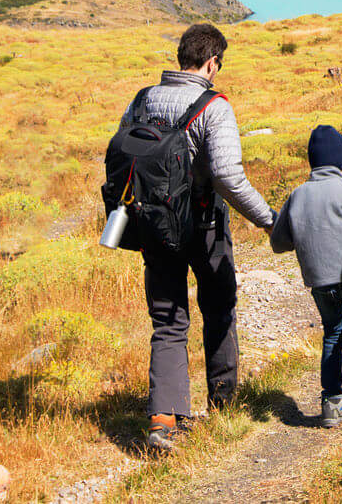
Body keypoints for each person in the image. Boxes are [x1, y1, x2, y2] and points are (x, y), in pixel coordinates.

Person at [120, 23, 274, 452]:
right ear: (212, 62)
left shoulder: (141, 100)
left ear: (179, 58)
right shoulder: (215, 106)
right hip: (203, 225)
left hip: (153, 226)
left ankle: (164, 421)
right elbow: (227, 175)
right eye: (217, 65)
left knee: (167, 320)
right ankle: (223, 404)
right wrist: (266, 219)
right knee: (219, 307)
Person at [269, 124, 342, 428]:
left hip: (319, 281)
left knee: (332, 333)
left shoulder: (297, 195)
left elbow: (279, 242)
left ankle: (332, 403)